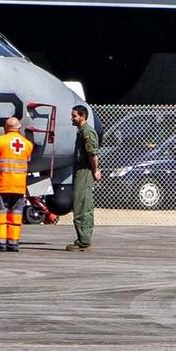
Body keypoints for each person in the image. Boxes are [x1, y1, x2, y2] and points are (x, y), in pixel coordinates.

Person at [0, 116, 35, 252]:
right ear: (19, 128)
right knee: (16, 214)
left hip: (1, 184)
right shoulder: (27, 144)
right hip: (18, 186)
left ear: (5, 128)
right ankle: (13, 243)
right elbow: (27, 161)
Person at [65, 105, 100, 252]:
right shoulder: (82, 132)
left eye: (74, 116)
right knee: (82, 204)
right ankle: (83, 239)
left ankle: (84, 241)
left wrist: (95, 170)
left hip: (84, 172)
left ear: (82, 116)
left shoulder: (87, 133)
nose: (72, 118)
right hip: (80, 171)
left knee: (81, 205)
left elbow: (92, 154)